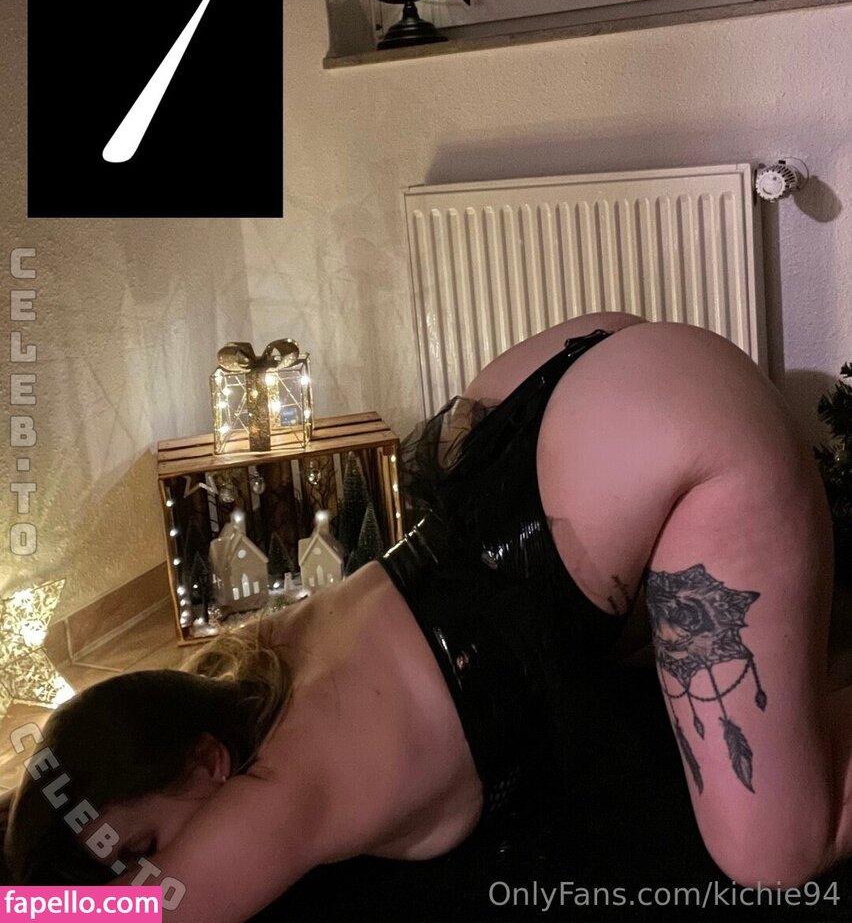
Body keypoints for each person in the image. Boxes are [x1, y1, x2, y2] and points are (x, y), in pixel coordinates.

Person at [4, 313, 852, 922]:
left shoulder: (277, 796)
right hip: (555, 405)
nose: (143, 879)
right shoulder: (266, 653)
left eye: (140, 852)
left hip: (656, 433)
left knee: (773, 854)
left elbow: (146, 915)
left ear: (206, 760)